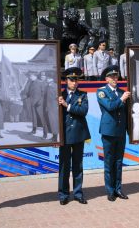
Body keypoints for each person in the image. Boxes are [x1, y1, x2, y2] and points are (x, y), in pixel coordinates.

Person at [96, 65, 130, 201]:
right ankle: (110, 191)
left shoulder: (122, 92)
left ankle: (118, 188)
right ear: (106, 79)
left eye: (116, 76)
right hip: (109, 132)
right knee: (109, 162)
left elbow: (127, 113)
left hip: (120, 131)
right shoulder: (101, 92)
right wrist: (122, 99)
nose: (115, 79)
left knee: (118, 161)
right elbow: (110, 107)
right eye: (112, 77)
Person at [58, 67, 91, 205]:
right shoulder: (60, 95)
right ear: (66, 80)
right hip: (64, 135)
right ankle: (63, 194)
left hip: (78, 134)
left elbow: (83, 111)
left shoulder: (82, 95)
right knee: (64, 166)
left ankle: (78, 193)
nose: (74, 82)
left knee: (78, 165)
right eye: (72, 80)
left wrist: (67, 106)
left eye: (76, 80)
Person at [23, 71, 48, 139]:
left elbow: (43, 94)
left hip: (40, 104)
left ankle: (45, 134)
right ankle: (34, 131)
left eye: (31, 76)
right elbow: (29, 93)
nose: (30, 78)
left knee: (42, 119)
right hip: (33, 103)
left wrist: (40, 102)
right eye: (29, 76)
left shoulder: (40, 83)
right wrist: (23, 98)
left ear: (34, 76)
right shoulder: (32, 83)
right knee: (34, 118)